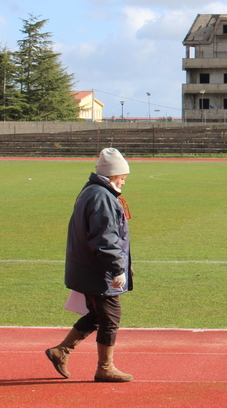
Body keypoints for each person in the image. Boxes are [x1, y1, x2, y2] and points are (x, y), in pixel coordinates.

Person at [45, 147, 134, 382]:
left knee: (97, 315)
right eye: (122, 178)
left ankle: (61, 351)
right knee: (110, 316)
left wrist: (122, 265)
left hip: (87, 266)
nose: (123, 183)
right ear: (112, 175)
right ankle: (105, 367)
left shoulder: (93, 192)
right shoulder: (102, 196)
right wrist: (117, 268)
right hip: (97, 269)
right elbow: (104, 237)